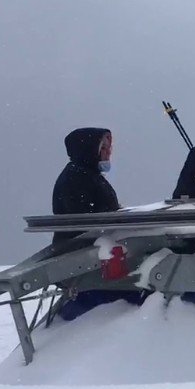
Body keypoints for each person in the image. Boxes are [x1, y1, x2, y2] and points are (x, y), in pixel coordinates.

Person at [51, 128, 147, 319]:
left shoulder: (87, 174)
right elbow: (87, 219)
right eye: (103, 148)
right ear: (88, 150)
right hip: (83, 256)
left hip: (91, 252)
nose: (108, 153)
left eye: (109, 148)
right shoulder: (77, 178)